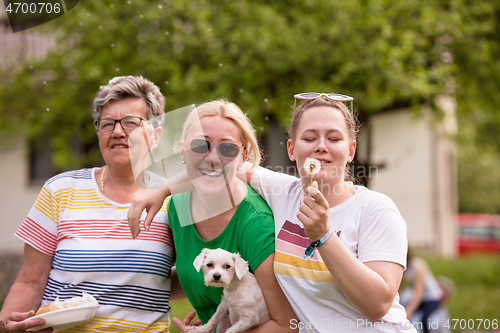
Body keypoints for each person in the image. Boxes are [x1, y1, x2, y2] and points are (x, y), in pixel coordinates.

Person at [128, 93, 415, 333]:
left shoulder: (376, 209)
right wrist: (163, 188)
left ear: (351, 150)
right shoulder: (281, 191)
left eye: (334, 139)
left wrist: (324, 236)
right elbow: (219, 165)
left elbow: (377, 306)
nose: (321, 147)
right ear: (291, 149)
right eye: (309, 138)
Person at [0, 76, 175, 333]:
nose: (117, 132)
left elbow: (192, 273)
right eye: (107, 124)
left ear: (155, 135)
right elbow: (30, 280)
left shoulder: (173, 199)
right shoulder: (60, 190)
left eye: (130, 123)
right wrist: (8, 321)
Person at [131, 99, 297, 333]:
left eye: (228, 148)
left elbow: (288, 325)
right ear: (182, 150)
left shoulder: (254, 222)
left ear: (243, 156)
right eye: (200, 145)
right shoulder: (177, 206)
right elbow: (191, 274)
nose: (212, 158)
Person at [400, 250, 445, 333]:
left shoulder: (417, 265)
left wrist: (408, 312)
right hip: (422, 299)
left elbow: (418, 292)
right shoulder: (403, 268)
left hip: (431, 297)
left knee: (425, 319)